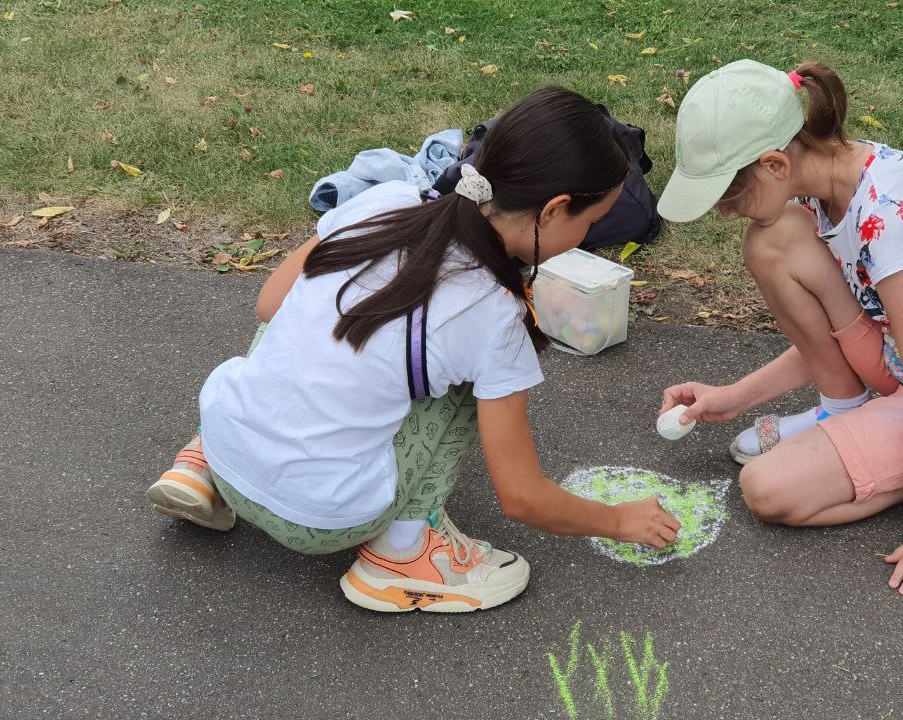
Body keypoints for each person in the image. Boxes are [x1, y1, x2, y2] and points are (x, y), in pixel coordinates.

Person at [147, 87, 681, 613]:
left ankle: (197, 466)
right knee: (471, 384)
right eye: (590, 223)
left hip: (226, 449)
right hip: (317, 522)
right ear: (554, 208)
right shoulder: (491, 315)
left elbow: (270, 303)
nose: (589, 234)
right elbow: (522, 497)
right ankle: (402, 555)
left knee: (318, 310)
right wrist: (618, 520)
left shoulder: (388, 201)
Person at [657, 60, 903, 599]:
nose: (725, 211)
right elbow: (858, 326)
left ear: (775, 163)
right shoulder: (827, 185)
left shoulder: (890, 215)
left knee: (768, 489)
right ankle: (845, 411)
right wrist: (733, 397)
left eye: (728, 196)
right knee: (772, 241)